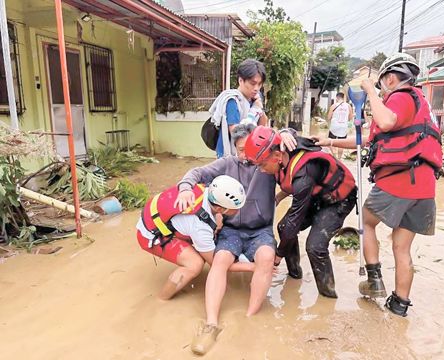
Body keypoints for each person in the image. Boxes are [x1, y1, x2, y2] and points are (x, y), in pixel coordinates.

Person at [312, 53, 442, 317]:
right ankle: (399, 306)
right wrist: (329, 142)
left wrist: (370, 89)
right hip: (424, 189)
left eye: (382, 82)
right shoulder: (419, 105)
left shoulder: (401, 97)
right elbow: (367, 141)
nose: (381, 88)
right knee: (402, 247)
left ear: (390, 78)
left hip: (400, 182)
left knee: (366, 222)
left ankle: (374, 280)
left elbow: (385, 122)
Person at [176, 124, 296, 356]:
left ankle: (250, 318)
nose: (245, 156)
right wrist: (185, 188)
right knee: (220, 259)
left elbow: (289, 150)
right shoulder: (227, 164)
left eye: (247, 149)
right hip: (231, 230)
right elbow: (197, 173)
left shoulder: (266, 164)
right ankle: (211, 323)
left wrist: (286, 133)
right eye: (240, 150)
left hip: (260, 230)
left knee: (266, 257)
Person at [244, 126, 357, 299]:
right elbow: (289, 133)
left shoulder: (304, 174)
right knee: (282, 227)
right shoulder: (285, 147)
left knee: (315, 246)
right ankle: (294, 275)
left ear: (276, 156)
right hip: (316, 194)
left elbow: (294, 222)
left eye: (262, 165)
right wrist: (280, 196)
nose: (261, 170)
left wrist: (278, 256)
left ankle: (327, 297)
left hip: (339, 200)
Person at [136, 175, 251, 301]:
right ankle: (162, 299)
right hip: (149, 235)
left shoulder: (206, 189)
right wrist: (253, 267)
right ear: (219, 208)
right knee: (195, 264)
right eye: (236, 209)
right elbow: (217, 263)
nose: (239, 211)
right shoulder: (200, 226)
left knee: (211, 233)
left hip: (156, 217)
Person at [208, 59, 269, 158]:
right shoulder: (233, 101)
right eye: (253, 83)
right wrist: (254, 111)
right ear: (241, 80)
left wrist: (259, 109)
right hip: (230, 156)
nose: (256, 88)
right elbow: (236, 133)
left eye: (259, 84)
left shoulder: (254, 99)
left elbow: (262, 126)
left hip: (248, 153)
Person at [327, 92, 353, 159]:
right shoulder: (348, 106)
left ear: (336, 98)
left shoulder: (333, 106)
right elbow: (350, 118)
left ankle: (334, 156)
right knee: (341, 144)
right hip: (343, 127)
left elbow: (329, 117)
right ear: (343, 97)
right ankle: (339, 158)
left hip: (334, 127)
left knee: (330, 141)